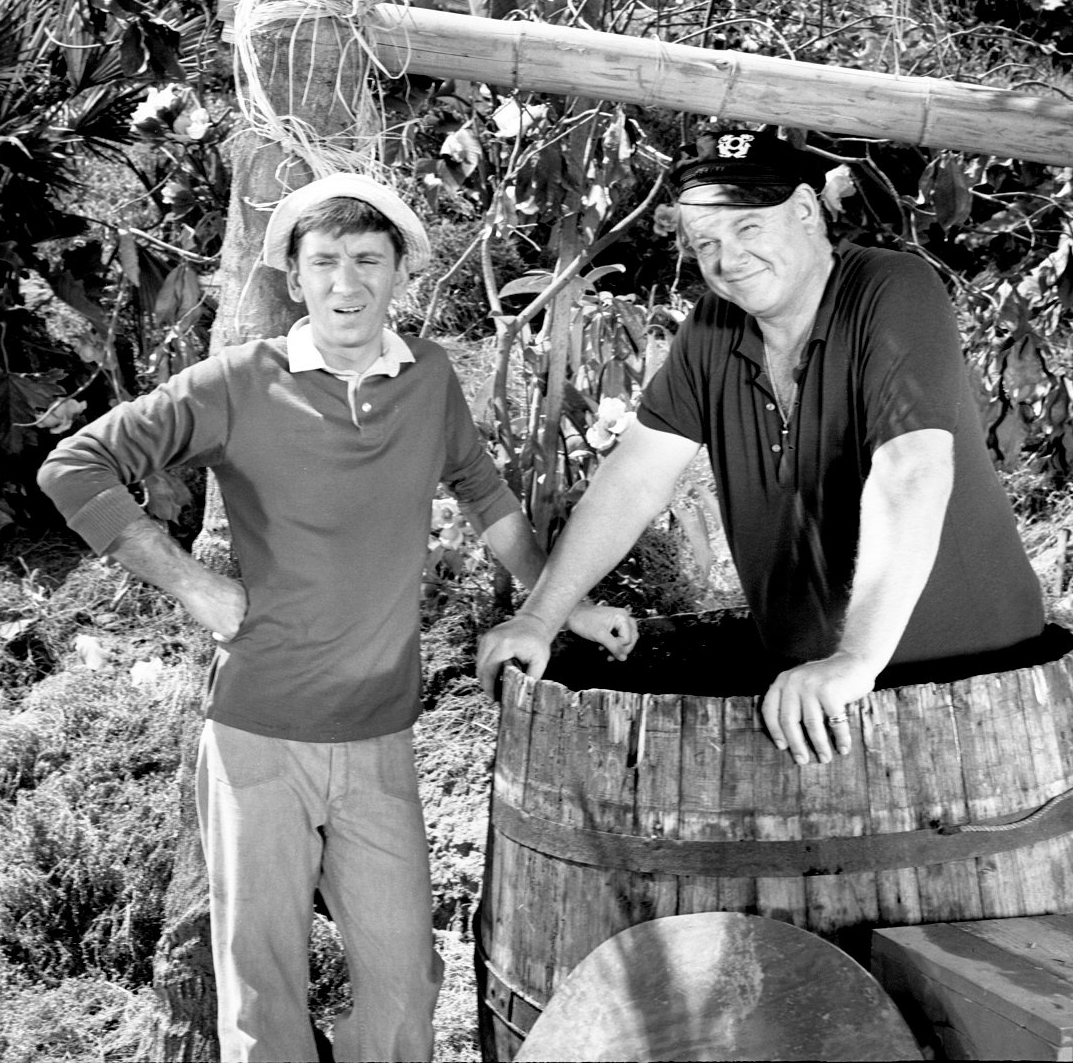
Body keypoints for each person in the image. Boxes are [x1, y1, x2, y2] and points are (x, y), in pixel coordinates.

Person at [37, 173, 636, 1063]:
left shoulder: (428, 377)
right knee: (263, 991)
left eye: (367, 260)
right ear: (294, 275)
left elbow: (482, 492)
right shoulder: (240, 380)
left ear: (400, 272)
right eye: (325, 263)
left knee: (404, 989)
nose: (346, 285)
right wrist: (194, 587)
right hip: (258, 733)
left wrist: (563, 605)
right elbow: (74, 466)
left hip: (379, 736)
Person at [478, 126, 1049, 766]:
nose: (728, 258)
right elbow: (634, 478)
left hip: (974, 685)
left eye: (749, 227)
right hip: (808, 690)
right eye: (707, 243)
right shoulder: (713, 329)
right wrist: (540, 618)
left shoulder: (892, 289)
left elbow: (910, 470)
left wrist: (855, 659)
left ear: (805, 211)